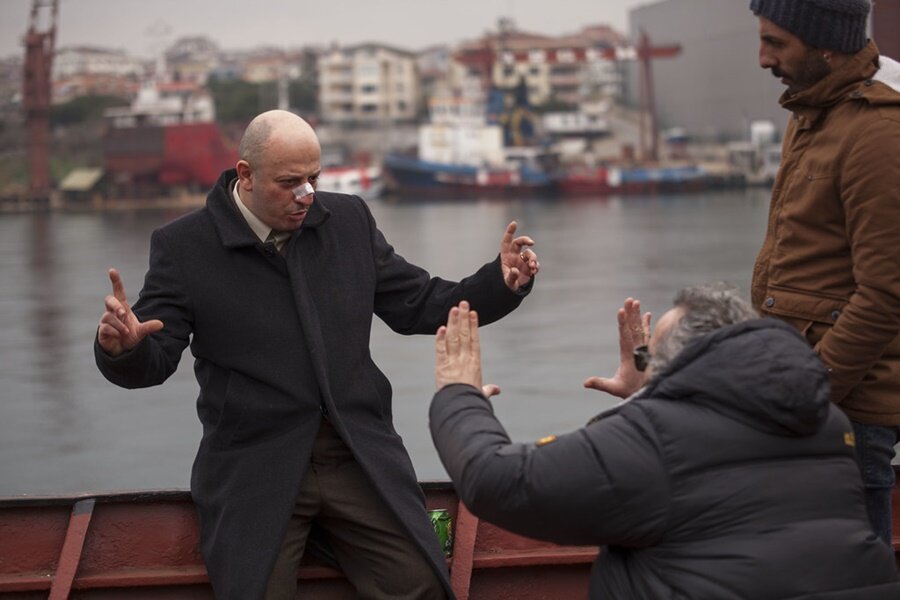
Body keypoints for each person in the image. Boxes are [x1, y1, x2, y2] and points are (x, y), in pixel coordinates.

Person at [94, 109, 540, 600]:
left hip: (356, 452)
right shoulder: (183, 246)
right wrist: (123, 349)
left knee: (422, 587)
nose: (307, 194)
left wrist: (500, 283)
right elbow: (156, 355)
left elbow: (419, 303)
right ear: (245, 175)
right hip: (254, 463)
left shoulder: (348, 219)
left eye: (313, 178)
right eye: (290, 183)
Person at [430, 285, 900, 599]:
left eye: (648, 355)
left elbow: (497, 481)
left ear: (680, 362)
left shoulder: (655, 439)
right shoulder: (825, 420)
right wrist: (647, 394)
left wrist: (458, 393)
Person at [749, 0, 900, 545]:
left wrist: (813, 390)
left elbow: (886, 292)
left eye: (777, 43)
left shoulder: (878, 131)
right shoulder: (814, 114)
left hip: (845, 413)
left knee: (850, 579)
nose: (763, 57)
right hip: (805, 394)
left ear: (826, 43)